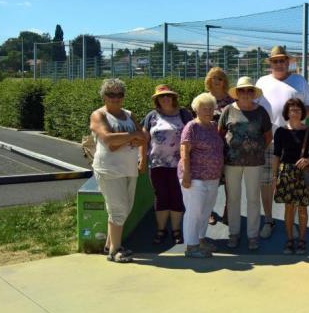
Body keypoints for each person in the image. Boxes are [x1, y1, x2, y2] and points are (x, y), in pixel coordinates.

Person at [256, 45, 309, 239]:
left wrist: (295, 122)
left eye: (283, 60)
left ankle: (296, 223)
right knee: (267, 182)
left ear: (288, 62)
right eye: (276, 61)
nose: (279, 64)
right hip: (269, 139)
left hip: (294, 142)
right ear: (271, 63)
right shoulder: (262, 81)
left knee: (297, 183)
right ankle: (268, 220)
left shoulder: (299, 81)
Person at [89, 78, 147, 263]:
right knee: (118, 209)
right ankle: (115, 250)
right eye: (111, 94)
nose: (115, 98)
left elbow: (144, 136)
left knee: (125, 208)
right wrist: (133, 137)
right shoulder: (99, 115)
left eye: (119, 94)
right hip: (109, 169)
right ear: (104, 96)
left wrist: (127, 139)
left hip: (129, 168)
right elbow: (108, 140)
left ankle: (109, 243)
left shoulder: (129, 114)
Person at [219, 77, 273, 251]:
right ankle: (233, 234)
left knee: (253, 199)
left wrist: (256, 150)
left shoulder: (261, 112)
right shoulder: (228, 110)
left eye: (249, 90)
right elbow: (220, 133)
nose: (246, 93)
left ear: (253, 93)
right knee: (233, 198)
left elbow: (268, 136)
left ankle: (252, 236)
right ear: (237, 93)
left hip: (255, 162)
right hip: (231, 162)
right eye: (242, 90)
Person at [140, 84, 193, 246]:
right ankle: (161, 229)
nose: (165, 98)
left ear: (173, 97)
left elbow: (192, 135)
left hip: (179, 164)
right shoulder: (151, 116)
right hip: (157, 165)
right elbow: (143, 139)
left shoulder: (184, 114)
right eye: (161, 97)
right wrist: (142, 159)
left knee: (177, 197)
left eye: (168, 95)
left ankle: (176, 230)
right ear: (157, 100)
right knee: (161, 196)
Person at [271, 98, 309, 255]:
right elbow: (276, 155)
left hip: (303, 173)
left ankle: (301, 240)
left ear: (302, 112)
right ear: (287, 112)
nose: (295, 112)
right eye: (292, 109)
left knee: (302, 208)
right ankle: (289, 240)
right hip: (286, 172)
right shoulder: (280, 131)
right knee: (289, 208)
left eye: (298, 109)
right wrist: (275, 177)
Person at [178, 93, 225, 258]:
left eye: (211, 108)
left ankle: (201, 240)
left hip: (212, 177)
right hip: (194, 177)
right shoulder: (191, 127)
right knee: (194, 211)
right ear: (196, 109)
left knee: (205, 211)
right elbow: (184, 152)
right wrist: (186, 174)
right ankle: (191, 246)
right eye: (204, 108)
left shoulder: (213, 126)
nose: (208, 111)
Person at [204, 67, 234, 226]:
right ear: (209, 80)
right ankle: (208, 212)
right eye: (214, 78)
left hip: (228, 147)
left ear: (224, 82)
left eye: (220, 78)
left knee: (229, 181)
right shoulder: (203, 99)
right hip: (208, 148)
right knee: (210, 182)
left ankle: (228, 210)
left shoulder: (231, 101)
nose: (217, 81)